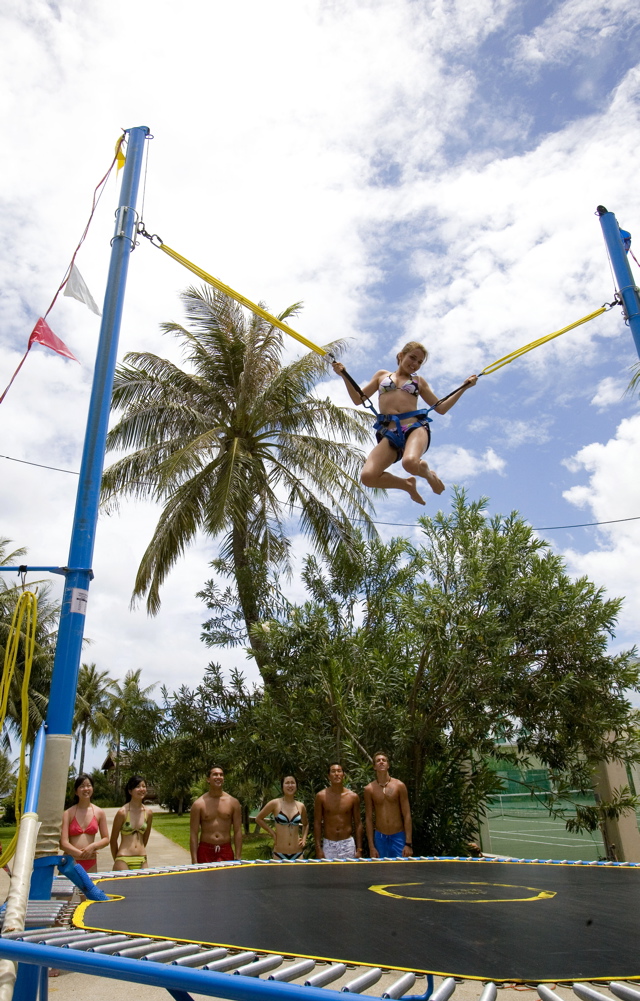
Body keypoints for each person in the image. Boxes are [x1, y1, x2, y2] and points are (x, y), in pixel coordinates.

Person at [333, 341, 477, 505]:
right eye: (412, 358)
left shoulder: (418, 381)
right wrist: (344, 375)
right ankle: (407, 485)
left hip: (414, 427)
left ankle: (429, 475)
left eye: (419, 362)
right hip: (390, 433)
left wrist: (464, 387)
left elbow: (441, 408)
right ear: (401, 355)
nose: (415, 364)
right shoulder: (382, 375)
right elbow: (359, 399)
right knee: (368, 477)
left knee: (409, 463)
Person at [363, 751, 413, 859]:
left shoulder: (399, 786)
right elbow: (369, 819)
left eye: (384, 760)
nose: (381, 762)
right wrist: (371, 846)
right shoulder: (369, 789)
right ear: (374, 767)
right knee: (382, 871)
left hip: (398, 835)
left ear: (388, 765)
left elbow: (407, 815)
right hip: (380, 836)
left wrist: (408, 843)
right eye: (378, 761)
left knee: (400, 870)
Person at [190, 765, 243, 864]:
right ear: (208, 779)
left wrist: (238, 856)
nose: (218, 777)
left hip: (225, 849)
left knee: (227, 879)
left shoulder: (233, 802)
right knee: (205, 879)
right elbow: (193, 833)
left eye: (221, 775)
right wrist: (194, 860)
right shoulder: (199, 804)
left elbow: (238, 831)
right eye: (215, 774)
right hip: (205, 850)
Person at [60, 774, 110, 872]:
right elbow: (63, 843)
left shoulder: (99, 812)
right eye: (82, 786)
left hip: (90, 862)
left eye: (88, 785)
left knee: (89, 887)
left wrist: (93, 846)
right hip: (71, 861)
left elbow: (106, 839)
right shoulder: (68, 813)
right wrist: (80, 854)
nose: (86, 788)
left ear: (92, 788)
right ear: (76, 791)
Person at [314, 763, 362, 859]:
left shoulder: (352, 797)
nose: (336, 774)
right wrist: (318, 848)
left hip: (347, 843)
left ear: (343, 775)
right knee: (329, 873)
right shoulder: (321, 796)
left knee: (348, 873)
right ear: (329, 776)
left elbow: (358, 823)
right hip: (329, 843)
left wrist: (359, 849)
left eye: (339, 771)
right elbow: (317, 823)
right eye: (333, 771)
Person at [255, 776, 309, 860]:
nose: (290, 785)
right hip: (280, 853)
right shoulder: (275, 803)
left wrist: (304, 839)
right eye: (287, 783)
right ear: (282, 786)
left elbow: (306, 824)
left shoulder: (300, 806)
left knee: (298, 873)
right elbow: (258, 818)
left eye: (292, 783)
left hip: (297, 853)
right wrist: (272, 833)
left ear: (296, 786)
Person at [110, 775, 153, 871]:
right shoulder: (122, 812)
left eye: (143, 786)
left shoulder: (148, 813)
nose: (141, 789)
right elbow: (113, 840)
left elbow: (145, 837)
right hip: (123, 858)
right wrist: (117, 859)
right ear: (130, 791)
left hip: (142, 858)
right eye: (137, 786)